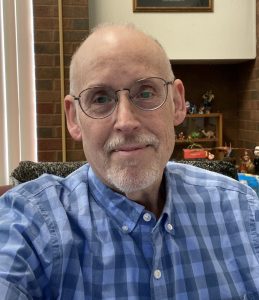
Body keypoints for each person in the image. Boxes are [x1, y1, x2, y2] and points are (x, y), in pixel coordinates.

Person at [0, 23, 259, 300]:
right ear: (74, 118)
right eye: (100, 98)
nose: (126, 122)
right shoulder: (31, 224)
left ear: (177, 102)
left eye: (146, 92)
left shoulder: (243, 211)